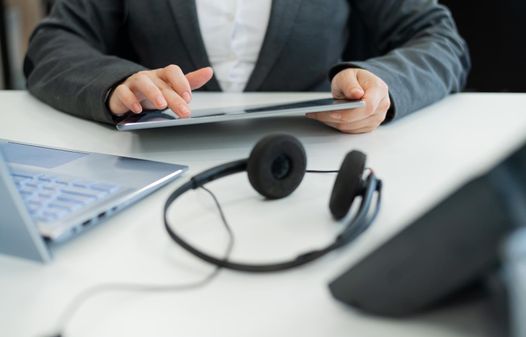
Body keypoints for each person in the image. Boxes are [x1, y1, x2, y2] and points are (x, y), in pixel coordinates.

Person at [24, 0, 470, 134]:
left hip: (320, 161)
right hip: (154, 169)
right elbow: (53, 42)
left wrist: (384, 83)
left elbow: (439, 37)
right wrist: (116, 82)